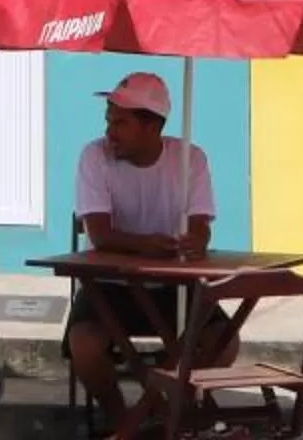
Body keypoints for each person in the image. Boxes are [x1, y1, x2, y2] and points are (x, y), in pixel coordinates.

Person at [67, 72, 222, 434]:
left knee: (224, 342)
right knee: (84, 344)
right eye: (108, 121)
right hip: (109, 285)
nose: (110, 131)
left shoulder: (191, 159)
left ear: (152, 126)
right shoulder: (94, 156)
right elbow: (99, 235)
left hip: (173, 287)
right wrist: (149, 244)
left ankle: (156, 409)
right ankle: (124, 421)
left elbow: (202, 226)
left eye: (120, 123)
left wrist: (194, 240)